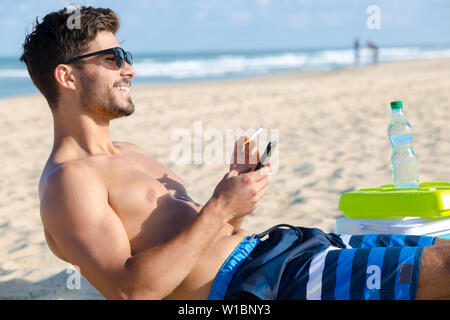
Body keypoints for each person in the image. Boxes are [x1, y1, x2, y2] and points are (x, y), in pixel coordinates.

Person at [21, 7, 450, 300]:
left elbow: (209, 237)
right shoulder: (69, 182)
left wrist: (236, 201)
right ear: (67, 77)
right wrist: (219, 205)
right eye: (113, 58)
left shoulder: (128, 153)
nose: (129, 68)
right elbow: (133, 291)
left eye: (126, 56)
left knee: (437, 249)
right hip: (259, 284)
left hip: (286, 248)